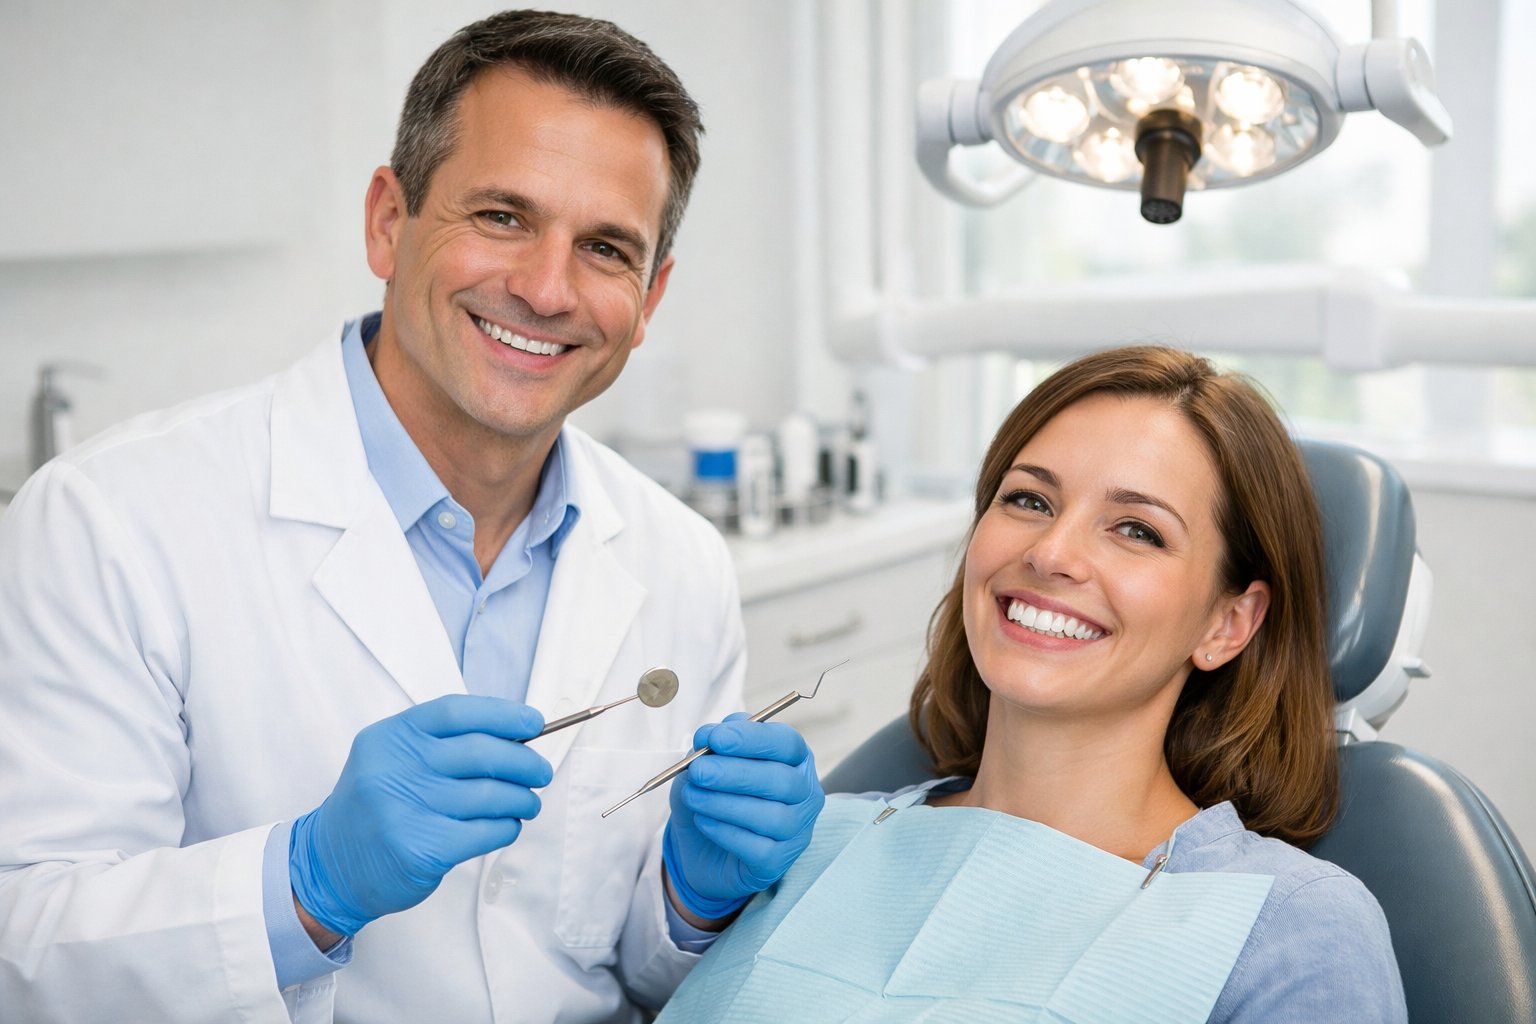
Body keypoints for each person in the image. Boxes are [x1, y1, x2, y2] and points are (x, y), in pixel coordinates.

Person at [0, 11, 823, 1023]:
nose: (545, 288)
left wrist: (693, 904)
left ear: (649, 298)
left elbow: (633, 970)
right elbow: (25, 947)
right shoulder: (110, 521)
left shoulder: (680, 561)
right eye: (502, 217)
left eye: (605, 248)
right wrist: (305, 882)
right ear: (389, 221)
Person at [658, 346, 1408, 1023]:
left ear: (1228, 622)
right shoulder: (808, 842)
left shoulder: (1290, 929)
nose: (1052, 554)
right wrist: (688, 909)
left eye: (1136, 530)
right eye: (1029, 500)